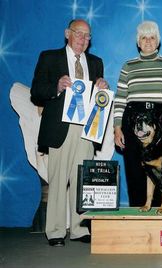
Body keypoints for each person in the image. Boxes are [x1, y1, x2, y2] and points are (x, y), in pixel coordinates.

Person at [30, 19, 108, 247]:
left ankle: (79, 228)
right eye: (79, 34)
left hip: (87, 128)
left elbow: (97, 96)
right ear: (67, 33)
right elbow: (36, 91)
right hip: (59, 128)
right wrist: (56, 86)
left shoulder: (96, 62)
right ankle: (55, 231)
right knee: (57, 180)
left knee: (82, 180)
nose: (83, 39)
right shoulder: (49, 57)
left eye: (87, 36)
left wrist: (101, 86)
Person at [113, 21, 162, 207]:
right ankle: (137, 209)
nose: (148, 41)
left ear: (158, 41)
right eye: (144, 37)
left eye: (152, 37)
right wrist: (117, 127)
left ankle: (161, 212)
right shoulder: (128, 66)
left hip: (160, 119)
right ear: (138, 42)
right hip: (133, 117)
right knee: (135, 168)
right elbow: (120, 99)